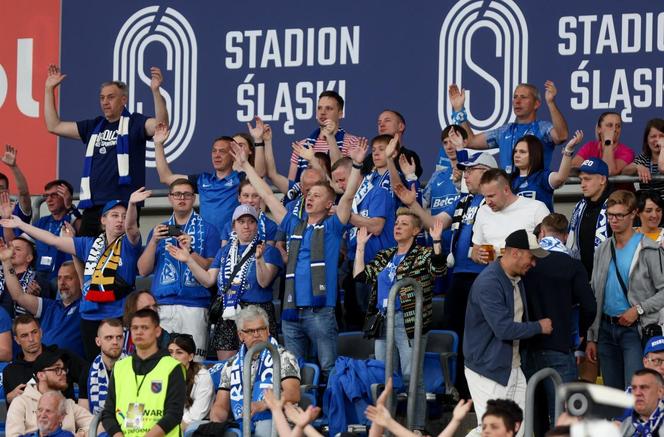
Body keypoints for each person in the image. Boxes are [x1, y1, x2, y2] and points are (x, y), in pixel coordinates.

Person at [230, 135, 366, 379]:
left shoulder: (334, 226)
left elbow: (347, 197)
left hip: (321, 311)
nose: (309, 197)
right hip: (291, 312)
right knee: (292, 371)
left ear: (328, 203)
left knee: (328, 369)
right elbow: (268, 197)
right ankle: (297, 415)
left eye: (316, 195)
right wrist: (247, 166)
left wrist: (356, 166)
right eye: (308, 194)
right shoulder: (294, 224)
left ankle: (329, 415)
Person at [394, 151, 498, 398]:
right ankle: (462, 391)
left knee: (479, 337)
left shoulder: (493, 201)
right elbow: (434, 224)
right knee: (457, 334)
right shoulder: (463, 201)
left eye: (471, 170)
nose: (466, 174)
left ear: (486, 172)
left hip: (483, 276)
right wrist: (414, 204)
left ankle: (481, 393)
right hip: (459, 276)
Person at [1, 189, 147, 361]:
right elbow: (53, 240)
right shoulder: (87, 244)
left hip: (118, 313)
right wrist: (20, 224)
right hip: (90, 316)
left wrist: (132, 204)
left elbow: (131, 227)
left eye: (124, 216)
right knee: (95, 366)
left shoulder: (129, 244)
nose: (120, 220)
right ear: (103, 220)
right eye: (114, 215)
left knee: (121, 366)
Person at [44, 65, 167, 235]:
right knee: (87, 258)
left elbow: (162, 125)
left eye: (111, 97)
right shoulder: (94, 126)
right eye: (102, 98)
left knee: (118, 260)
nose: (105, 102)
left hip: (122, 207)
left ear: (124, 100)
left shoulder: (134, 122)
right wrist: (49, 89)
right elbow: (54, 126)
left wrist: (155, 91)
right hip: (93, 206)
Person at [354, 209, 446, 431]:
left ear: (415, 231)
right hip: (383, 320)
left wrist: (436, 241)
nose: (397, 226)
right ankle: (385, 429)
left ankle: (416, 428)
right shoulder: (385, 255)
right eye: (396, 223)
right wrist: (360, 247)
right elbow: (361, 276)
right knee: (386, 377)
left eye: (404, 224)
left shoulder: (422, 254)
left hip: (408, 321)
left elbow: (439, 269)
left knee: (410, 375)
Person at [167, 204, 282, 360]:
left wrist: (259, 259)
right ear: (233, 226)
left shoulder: (268, 251)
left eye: (251, 221)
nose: (246, 226)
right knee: (227, 365)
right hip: (228, 312)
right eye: (241, 222)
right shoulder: (225, 251)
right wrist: (188, 260)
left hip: (256, 313)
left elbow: (264, 282)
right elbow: (208, 280)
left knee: (258, 361)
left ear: (257, 225)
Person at [464, 229, 552, 428]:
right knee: (492, 429)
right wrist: (539, 327)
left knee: (517, 428)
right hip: (488, 369)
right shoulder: (489, 283)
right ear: (515, 253)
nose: (534, 263)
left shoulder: (516, 277)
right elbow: (503, 329)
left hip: (511, 365)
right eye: (531, 257)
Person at [522, 213, 597, 428]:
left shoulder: (527, 262)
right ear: (565, 236)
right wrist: (580, 332)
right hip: (560, 346)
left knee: (534, 413)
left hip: (527, 345)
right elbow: (590, 306)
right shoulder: (572, 265)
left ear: (542, 232)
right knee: (564, 417)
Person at [586, 190, 664, 389]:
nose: (614, 220)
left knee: (635, 389)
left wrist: (638, 309)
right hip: (605, 328)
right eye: (610, 215)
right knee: (613, 395)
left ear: (633, 214)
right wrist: (592, 337)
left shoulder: (650, 249)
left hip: (634, 330)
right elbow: (595, 294)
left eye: (619, 215)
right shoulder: (602, 248)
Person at [137, 178, 219, 361]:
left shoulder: (208, 230)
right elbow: (143, 270)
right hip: (162, 306)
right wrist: (152, 242)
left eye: (187, 194)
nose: (182, 198)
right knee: (159, 363)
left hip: (194, 306)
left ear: (193, 198)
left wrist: (190, 251)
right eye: (177, 194)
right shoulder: (158, 231)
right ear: (170, 198)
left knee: (194, 363)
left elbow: (209, 266)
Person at [208, 306, 300, 437]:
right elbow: (221, 405)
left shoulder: (283, 356)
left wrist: (262, 404)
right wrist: (216, 423)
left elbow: (293, 393)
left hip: (278, 420)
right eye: (250, 331)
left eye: (261, 329)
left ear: (268, 331)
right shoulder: (231, 364)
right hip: (243, 422)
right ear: (241, 335)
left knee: (263, 429)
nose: (256, 334)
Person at [101, 308, 186, 437]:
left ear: (157, 331)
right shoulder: (120, 367)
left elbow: (174, 414)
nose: (139, 332)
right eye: (134, 328)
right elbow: (108, 413)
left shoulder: (172, 367)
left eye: (145, 328)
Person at [448, 81, 568, 171]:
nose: (517, 101)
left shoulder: (543, 128)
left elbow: (561, 136)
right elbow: (470, 141)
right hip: (507, 197)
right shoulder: (504, 131)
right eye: (515, 97)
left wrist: (551, 102)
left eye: (523, 97)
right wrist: (459, 110)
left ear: (536, 104)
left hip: (535, 197)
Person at [153, 123, 242, 236]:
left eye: (222, 151)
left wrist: (260, 142)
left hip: (231, 240)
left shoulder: (241, 178)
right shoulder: (203, 179)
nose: (216, 155)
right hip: (206, 240)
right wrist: (158, 144)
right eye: (214, 151)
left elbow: (260, 173)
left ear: (233, 155)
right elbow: (165, 178)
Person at [347, 134, 399, 312]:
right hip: (361, 259)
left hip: (384, 259)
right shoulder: (367, 182)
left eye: (381, 149)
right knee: (364, 317)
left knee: (383, 315)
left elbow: (377, 227)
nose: (376, 153)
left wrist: (347, 215)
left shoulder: (392, 181)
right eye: (374, 150)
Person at [0, 254, 84, 357]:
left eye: (68, 278)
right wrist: (6, 261)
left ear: (80, 280)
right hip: (41, 366)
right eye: (59, 278)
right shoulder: (49, 306)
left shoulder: (85, 306)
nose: (62, 283)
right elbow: (18, 295)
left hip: (69, 368)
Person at [3, 315, 88, 405]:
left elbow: (89, 376)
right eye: (24, 336)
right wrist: (9, 399)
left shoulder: (61, 356)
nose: (31, 339)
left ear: (41, 332)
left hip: (66, 415)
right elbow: (14, 415)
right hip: (30, 417)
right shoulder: (10, 371)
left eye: (34, 332)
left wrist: (82, 403)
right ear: (17, 340)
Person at [471, 169, 549, 264]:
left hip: (529, 272)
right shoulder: (483, 211)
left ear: (506, 190)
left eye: (491, 196)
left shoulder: (536, 208)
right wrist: (478, 256)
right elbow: (475, 251)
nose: (487, 202)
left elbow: (549, 248)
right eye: (485, 196)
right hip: (495, 273)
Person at [6, 349, 92, 436]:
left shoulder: (68, 404)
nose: (63, 373)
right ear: (41, 375)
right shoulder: (20, 403)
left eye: (64, 369)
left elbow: (95, 425)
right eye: (57, 369)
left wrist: (81, 433)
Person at [288, 90, 360, 181]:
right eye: (319, 108)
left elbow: (342, 179)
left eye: (329, 108)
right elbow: (291, 186)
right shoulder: (302, 146)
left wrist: (330, 137)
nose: (322, 112)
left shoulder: (352, 142)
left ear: (340, 114)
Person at [510, 131, 581, 211]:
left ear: (534, 155)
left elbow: (560, 178)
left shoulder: (542, 176)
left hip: (542, 223)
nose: (517, 155)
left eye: (522, 152)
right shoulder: (509, 180)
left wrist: (568, 150)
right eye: (515, 151)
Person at [567, 157, 613, 277]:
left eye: (587, 179)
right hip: (582, 279)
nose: (582, 185)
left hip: (608, 279)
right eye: (581, 180)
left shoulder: (615, 207)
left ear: (602, 179)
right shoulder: (580, 206)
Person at [29, 180, 81, 285]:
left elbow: (81, 228)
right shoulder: (42, 222)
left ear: (66, 197)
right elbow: (21, 242)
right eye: (46, 196)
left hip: (64, 277)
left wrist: (69, 206)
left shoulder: (75, 219)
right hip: (40, 275)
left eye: (54, 195)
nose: (48, 200)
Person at [167, 334, 214, 434]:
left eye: (179, 352)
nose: (173, 357)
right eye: (170, 352)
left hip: (192, 427)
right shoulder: (163, 374)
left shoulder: (202, 377)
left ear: (190, 357)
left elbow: (195, 416)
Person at [0, 234, 49, 317]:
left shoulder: (38, 280)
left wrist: (34, 298)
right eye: (10, 248)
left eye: (18, 249)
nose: (12, 252)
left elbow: (45, 313)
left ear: (29, 258)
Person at [572, 112, 634, 176]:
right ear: (599, 129)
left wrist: (608, 142)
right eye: (610, 125)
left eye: (618, 126)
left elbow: (608, 171)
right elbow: (573, 167)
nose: (614, 129)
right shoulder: (590, 146)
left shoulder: (627, 151)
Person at [220, 180, 278, 246]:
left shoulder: (270, 226)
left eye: (255, 196)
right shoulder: (228, 225)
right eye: (246, 195)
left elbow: (268, 254)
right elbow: (223, 254)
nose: (250, 200)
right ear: (239, 198)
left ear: (261, 198)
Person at [0, 144, 35, 241]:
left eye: (1, 188)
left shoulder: (16, 210)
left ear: (7, 191)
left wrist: (13, 167)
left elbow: (23, 193)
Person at [623, 118, 664, 196]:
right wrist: (637, 167)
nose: (657, 140)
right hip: (647, 205)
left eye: (661, 136)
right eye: (653, 136)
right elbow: (625, 171)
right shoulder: (643, 158)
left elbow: (662, 168)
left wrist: (663, 147)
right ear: (647, 140)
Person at [121, 290, 171, 355]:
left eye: (154, 306)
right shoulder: (119, 337)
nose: (153, 310)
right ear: (133, 311)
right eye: (147, 307)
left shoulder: (168, 340)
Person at [619, 369, 664, 436]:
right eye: (634, 388)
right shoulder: (625, 425)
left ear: (660, 392)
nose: (637, 393)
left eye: (644, 387)